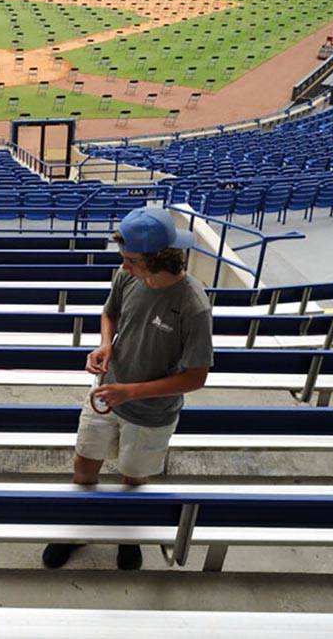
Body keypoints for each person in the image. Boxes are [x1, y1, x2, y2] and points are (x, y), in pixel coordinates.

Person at [42, 207, 213, 572]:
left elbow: (196, 378)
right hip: (107, 394)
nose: (123, 267)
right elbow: (110, 313)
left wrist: (131, 392)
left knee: (135, 478)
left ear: (158, 260)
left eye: (131, 260)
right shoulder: (128, 277)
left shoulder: (193, 307)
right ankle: (75, 530)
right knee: (83, 467)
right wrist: (106, 344)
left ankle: (127, 535)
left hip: (152, 413)